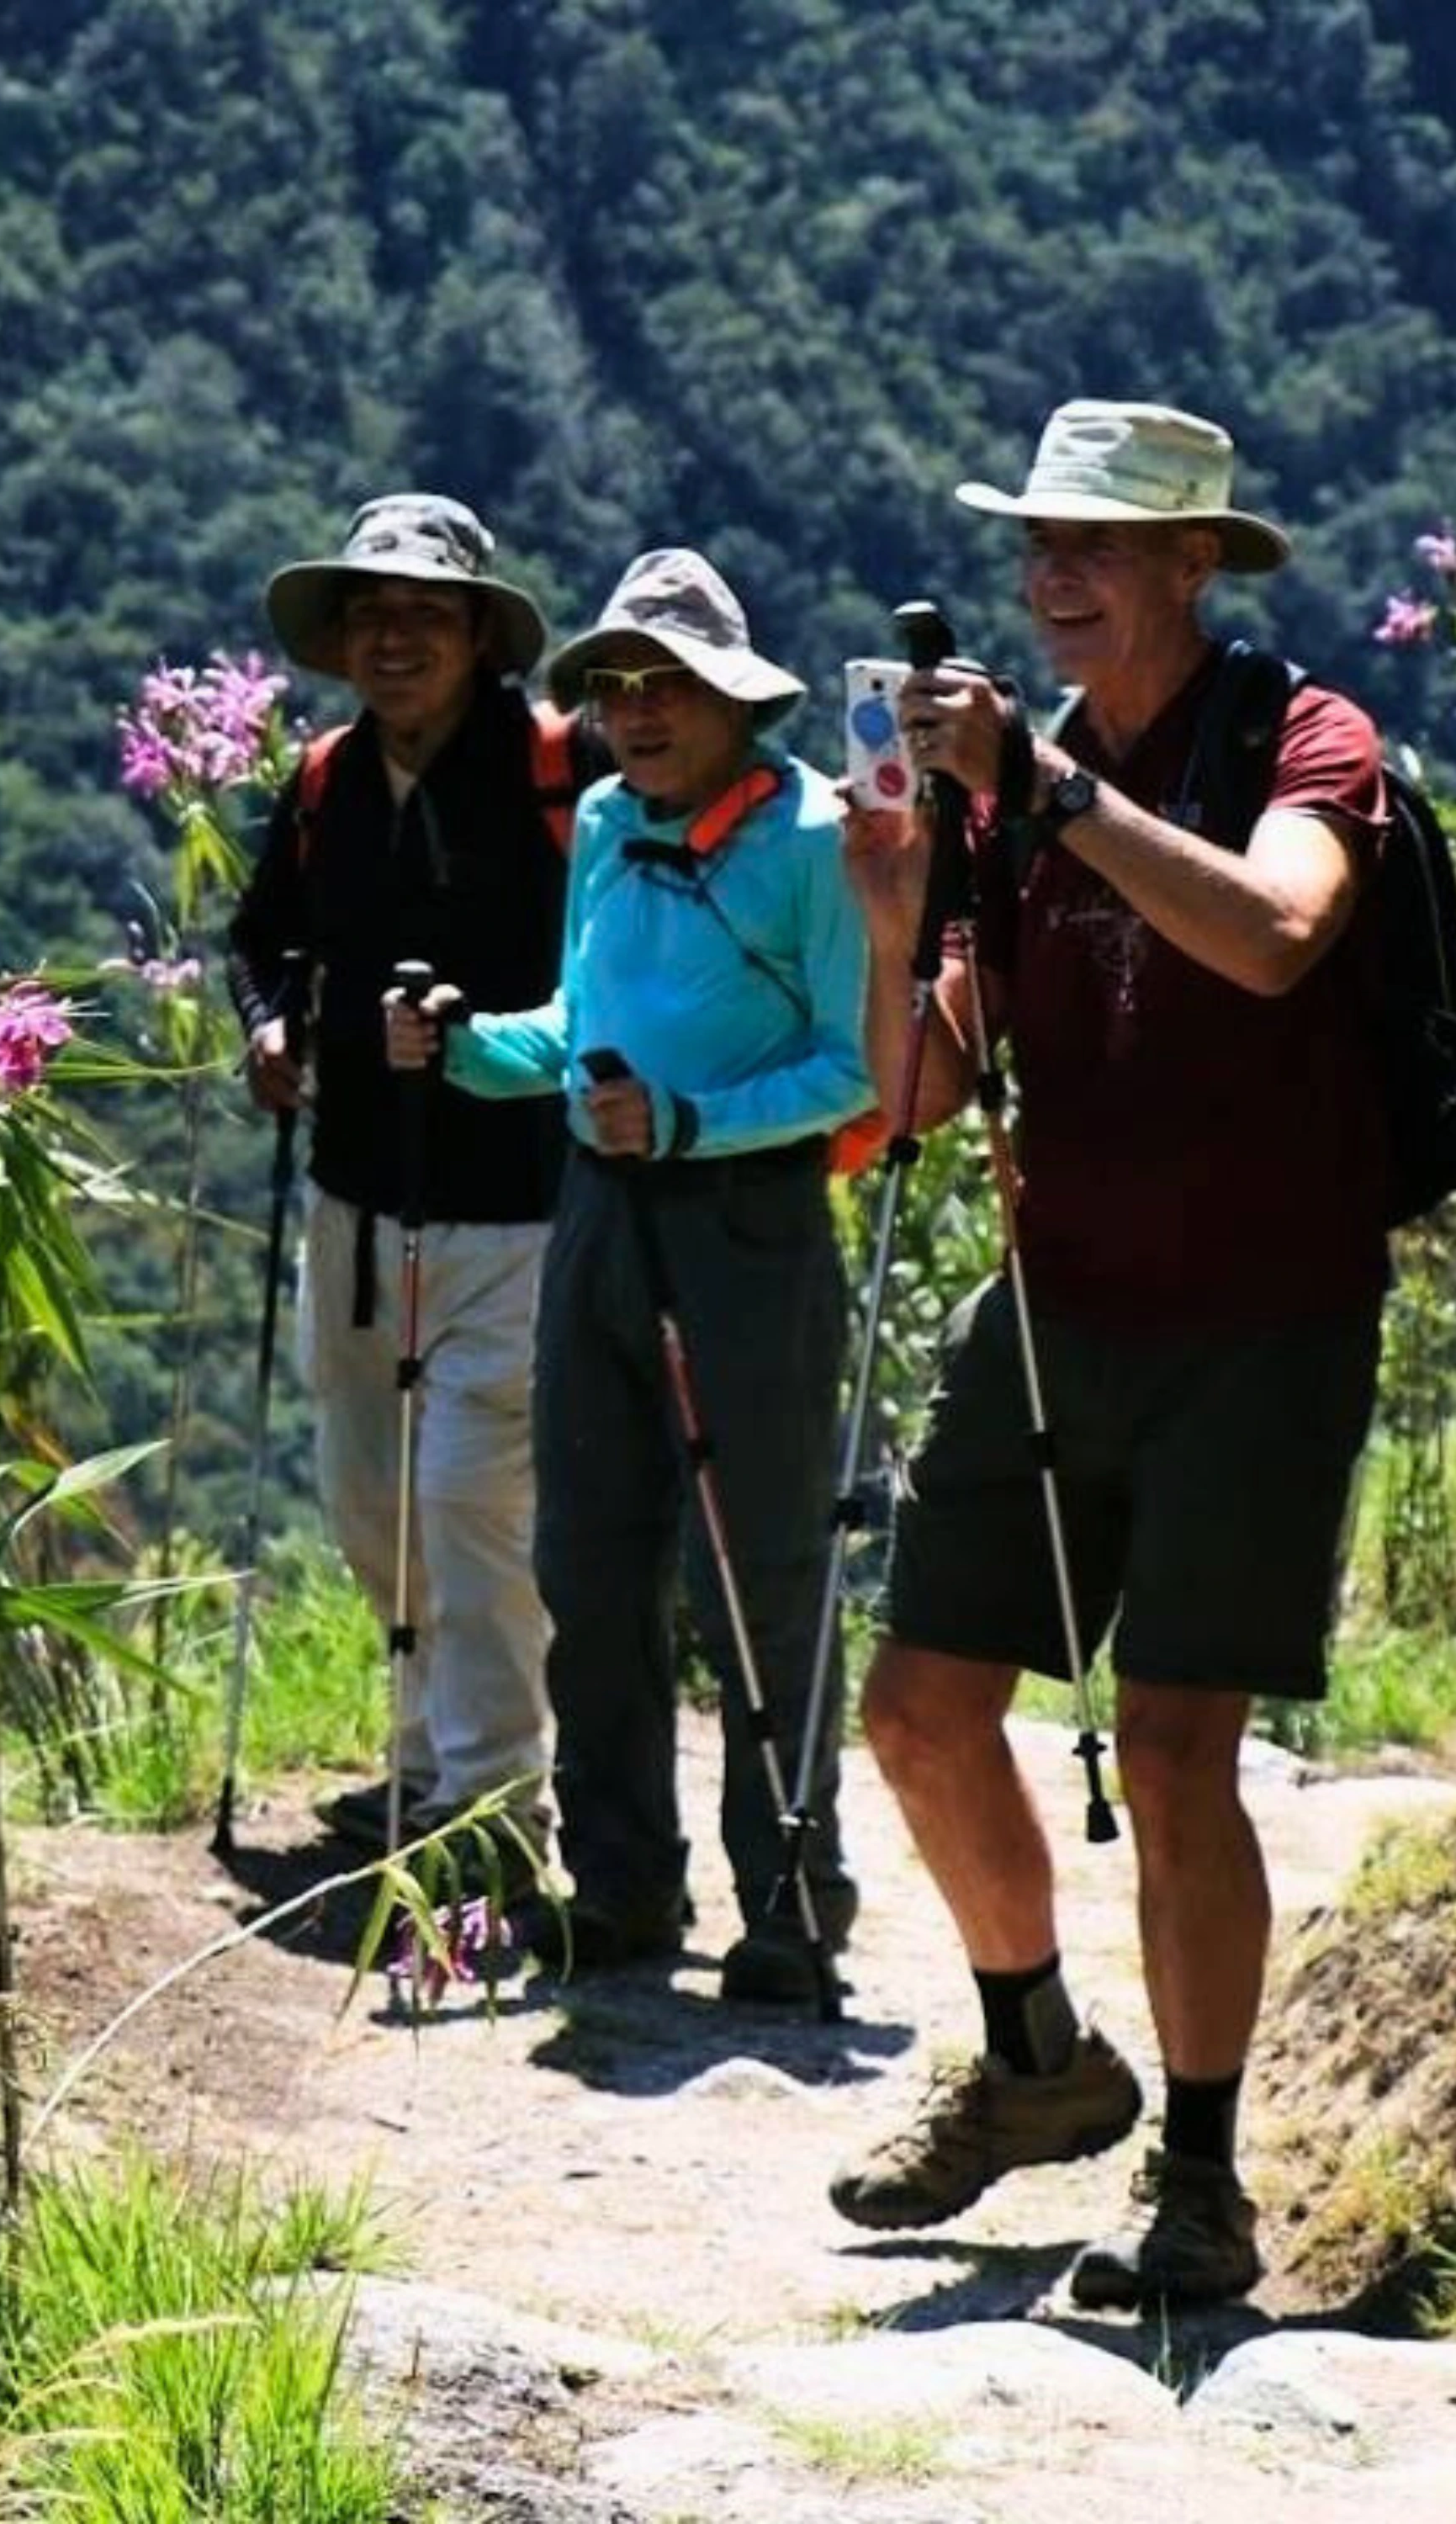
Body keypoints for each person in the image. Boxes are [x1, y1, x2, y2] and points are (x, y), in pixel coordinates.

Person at [831, 400, 1389, 2303]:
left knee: (1172, 1745)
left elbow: (1280, 935)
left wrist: (1050, 802)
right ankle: (1039, 2063)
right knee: (913, 1708)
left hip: (1266, 1315)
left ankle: (1207, 2185)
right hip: (1059, 1299)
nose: (1051, 580)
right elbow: (927, 1089)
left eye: (1093, 548)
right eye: (1037, 548)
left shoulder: (1308, 740)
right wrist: (901, 903)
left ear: (1189, 567)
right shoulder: (1025, 777)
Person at [387, 549, 872, 2005]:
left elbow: (853, 1072)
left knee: (761, 1573)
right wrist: (472, 1046)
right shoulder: (603, 818)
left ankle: (789, 1909)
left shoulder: (812, 839)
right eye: (615, 686)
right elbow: (582, 1022)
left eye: (669, 686)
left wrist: (689, 1122)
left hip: (749, 1231)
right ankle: (621, 1892)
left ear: (736, 699)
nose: (637, 712)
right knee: (589, 1564)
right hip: (601, 1219)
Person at [227, 492, 603, 1881]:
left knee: (468, 1505)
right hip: (357, 1201)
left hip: (518, 1207)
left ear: (478, 639)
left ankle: (500, 1812)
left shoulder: (566, 777)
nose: (394, 638)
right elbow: (262, 938)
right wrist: (269, 1023)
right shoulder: (327, 784)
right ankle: (427, 1763)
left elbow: (610, 956)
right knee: (368, 1494)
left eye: (425, 615)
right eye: (372, 616)